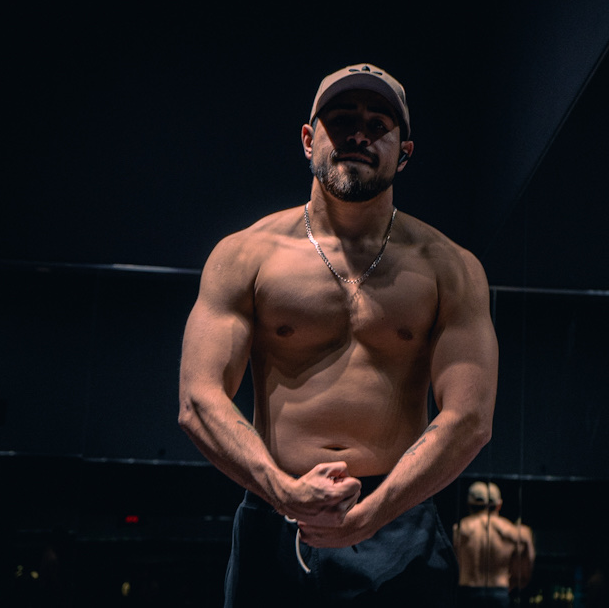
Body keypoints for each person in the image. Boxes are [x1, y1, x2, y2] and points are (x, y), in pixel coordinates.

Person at [178, 62, 499, 606]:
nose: (358, 135)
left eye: (378, 126)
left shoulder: (451, 268)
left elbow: (470, 418)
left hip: (399, 521)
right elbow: (197, 399)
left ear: (404, 153)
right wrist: (283, 492)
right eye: (342, 120)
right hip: (274, 514)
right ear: (309, 139)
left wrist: (374, 514)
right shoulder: (245, 255)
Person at [453, 481, 535, 608]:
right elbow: (524, 572)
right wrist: (513, 582)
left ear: (469, 504)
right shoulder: (513, 532)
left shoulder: (459, 530)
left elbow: (452, 564)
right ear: (499, 505)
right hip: (498, 592)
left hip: (468, 591)